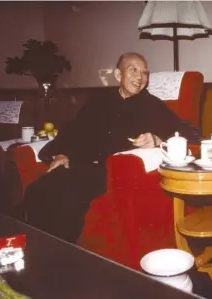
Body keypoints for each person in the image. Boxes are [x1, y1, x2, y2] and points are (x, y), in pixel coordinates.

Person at [24, 52, 200, 243]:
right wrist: (61, 153)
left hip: (109, 173)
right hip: (78, 164)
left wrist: (157, 140)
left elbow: (190, 133)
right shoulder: (98, 103)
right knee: (38, 189)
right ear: (118, 75)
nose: (140, 77)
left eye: (145, 72)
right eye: (133, 70)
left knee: (66, 198)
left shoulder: (152, 106)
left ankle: (59, 255)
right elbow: (73, 129)